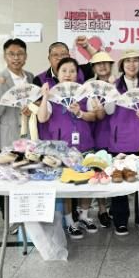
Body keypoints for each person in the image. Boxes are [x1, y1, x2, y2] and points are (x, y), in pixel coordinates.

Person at [37, 57, 98, 239]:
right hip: (61, 149)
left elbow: (94, 116)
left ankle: (84, 216)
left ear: (77, 74)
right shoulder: (52, 95)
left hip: (84, 144)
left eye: (72, 71)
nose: (68, 74)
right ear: (57, 73)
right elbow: (42, 118)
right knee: (66, 185)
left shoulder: (84, 93)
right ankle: (70, 221)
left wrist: (80, 112)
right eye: (64, 70)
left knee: (87, 181)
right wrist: (45, 96)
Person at [106, 49, 139, 235]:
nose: (131, 64)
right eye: (127, 61)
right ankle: (120, 220)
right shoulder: (114, 85)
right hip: (119, 140)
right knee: (119, 181)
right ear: (122, 65)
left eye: (135, 60)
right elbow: (109, 111)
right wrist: (110, 91)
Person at [86, 51, 117, 228]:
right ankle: (102, 209)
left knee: (115, 170)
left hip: (118, 133)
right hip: (98, 132)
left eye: (106, 63)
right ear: (93, 68)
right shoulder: (89, 86)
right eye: (98, 64)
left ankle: (115, 207)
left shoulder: (119, 83)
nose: (103, 66)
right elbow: (90, 111)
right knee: (100, 170)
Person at [0, 38, 35, 151]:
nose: (16, 58)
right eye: (11, 54)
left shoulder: (30, 77)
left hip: (29, 136)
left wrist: (32, 110)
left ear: (26, 56)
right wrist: (0, 87)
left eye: (20, 54)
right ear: (5, 57)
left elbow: (34, 103)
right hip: (8, 138)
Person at [32, 37, 97, 88]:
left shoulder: (80, 70)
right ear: (49, 58)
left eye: (63, 54)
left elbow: (99, 61)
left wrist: (87, 46)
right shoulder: (39, 80)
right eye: (55, 55)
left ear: (69, 56)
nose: (60, 58)